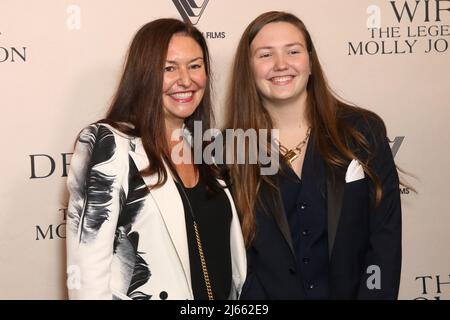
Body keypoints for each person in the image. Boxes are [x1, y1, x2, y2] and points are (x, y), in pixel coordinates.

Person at [225, 11, 401, 299]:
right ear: (249, 68)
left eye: (293, 51)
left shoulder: (362, 132)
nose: (281, 64)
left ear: (310, 61)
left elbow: (384, 241)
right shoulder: (229, 149)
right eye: (265, 55)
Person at [66, 18, 246, 300]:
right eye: (169, 68)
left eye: (195, 66)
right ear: (144, 74)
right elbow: (87, 274)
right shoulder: (108, 144)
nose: (186, 80)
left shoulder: (208, 149)